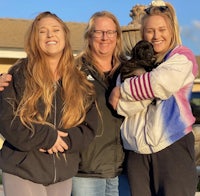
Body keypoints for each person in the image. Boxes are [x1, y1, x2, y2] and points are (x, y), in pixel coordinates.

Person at [0, 11, 98, 196]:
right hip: (23, 169)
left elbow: (89, 126)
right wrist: (47, 136)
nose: (50, 35)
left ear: (65, 36)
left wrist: (64, 141)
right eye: (42, 31)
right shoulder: (19, 73)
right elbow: (6, 120)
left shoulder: (80, 81)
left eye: (55, 30)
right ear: (34, 39)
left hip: (62, 172)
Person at [109, 1, 199, 195]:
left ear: (172, 30)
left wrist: (123, 90)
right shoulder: (130, 64)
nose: (156, 36)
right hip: (136, 152)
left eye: (161, 29)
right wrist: (145, 93)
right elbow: (119, 106)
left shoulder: (182, 57)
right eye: (150, 30)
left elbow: (159, 82)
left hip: (172, 145)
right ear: (143, 33)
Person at [72, 11, 125, 196]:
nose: (105, 38)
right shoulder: (74, 70)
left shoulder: (127, 70)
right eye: (98, 32)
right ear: (89, 35)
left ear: (117, 36)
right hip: (86, 171)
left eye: (110, 32)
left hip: (121, 170)